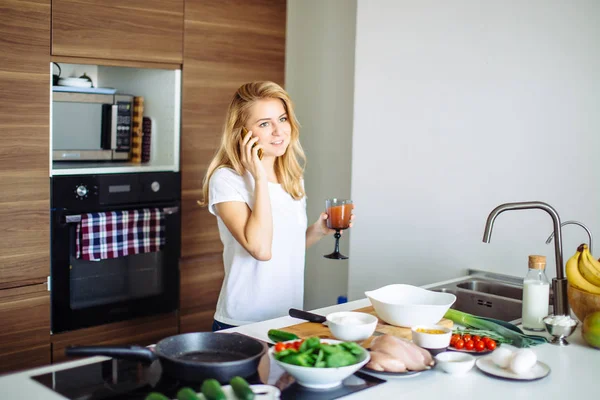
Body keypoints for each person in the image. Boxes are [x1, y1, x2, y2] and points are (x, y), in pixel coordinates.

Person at [199, 81, 354, 331]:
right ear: (242, 132)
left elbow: (284, 248)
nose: (279, 131)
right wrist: (259, 177)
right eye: (264, 124)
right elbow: (261, 250)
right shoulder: (227, 179)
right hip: (243, 322)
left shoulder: (292, 177)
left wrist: (319, 230)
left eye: (282, 119)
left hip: (288, 318)